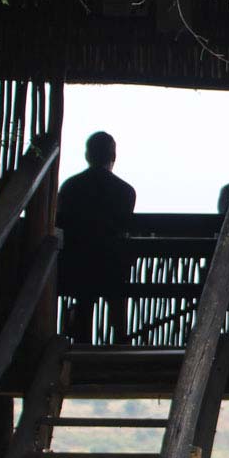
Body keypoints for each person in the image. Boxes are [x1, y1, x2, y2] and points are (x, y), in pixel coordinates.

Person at [57, 131, 137, 343]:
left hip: (78, 265)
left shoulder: (70, 187)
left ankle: (81, 344)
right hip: (113, 267)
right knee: (117, 303)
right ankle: (119, 345)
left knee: (84, 301)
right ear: (113, 156)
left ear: (87, 155)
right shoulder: (126, 191)